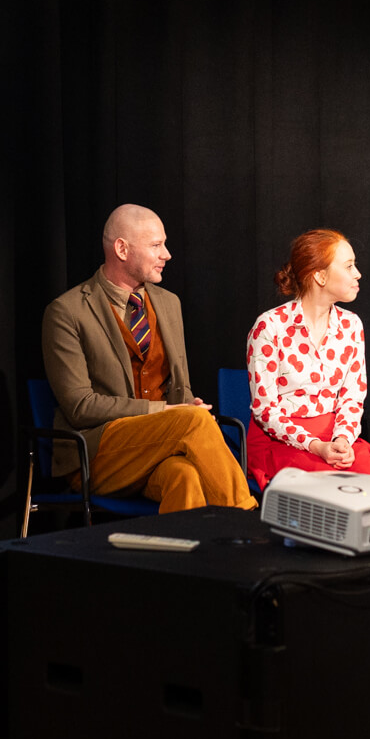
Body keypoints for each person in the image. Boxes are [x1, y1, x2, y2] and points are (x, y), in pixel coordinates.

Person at [41, 204, 256, 513]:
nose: (166, 254)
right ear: (122, 249)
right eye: (156, 245)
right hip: (99, 454)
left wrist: (185, 404)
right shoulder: (67, 312)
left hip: (161, 449)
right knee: (192, 421)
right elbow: (79, 406)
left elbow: (179, 388)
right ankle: (246, 522)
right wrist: (164, 412)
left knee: (185, 477)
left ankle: (183, 560)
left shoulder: (168, 304)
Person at [244, 229, 370, 487]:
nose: (358, 274)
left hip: (332, 436)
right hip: (282, 438)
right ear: (320, 276)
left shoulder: (351, 324)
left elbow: (352, 397)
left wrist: (342, 440)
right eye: (348, 266)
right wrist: (315, 446)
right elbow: (265, 410)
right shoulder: (270, 327)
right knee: (327, 486)